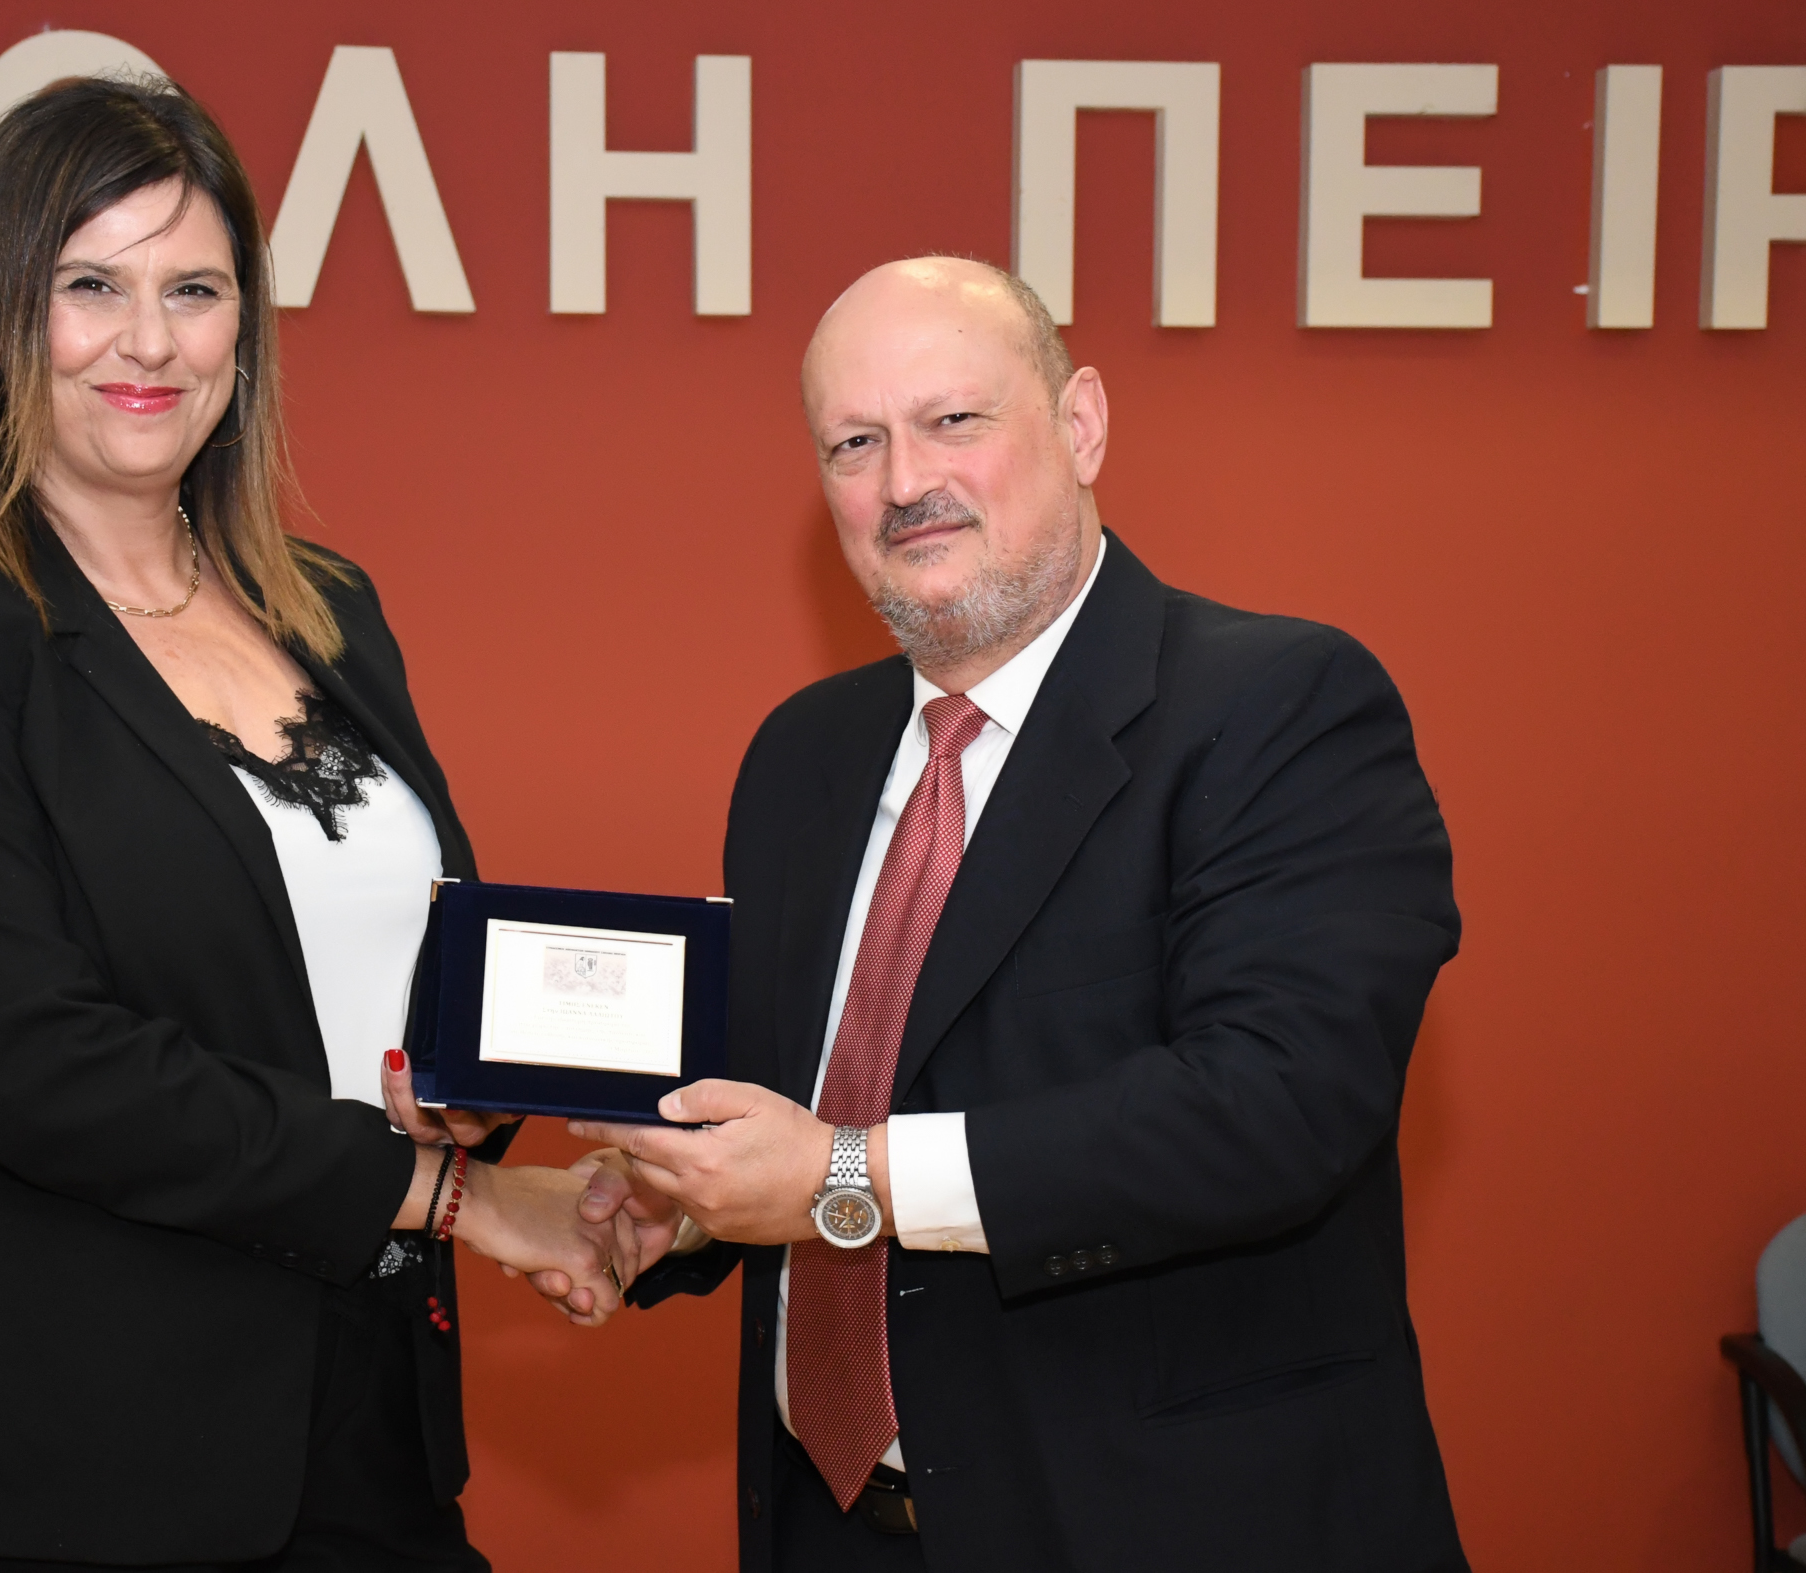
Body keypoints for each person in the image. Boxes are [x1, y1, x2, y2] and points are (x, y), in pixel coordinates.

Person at [0, 77, 638, 1573]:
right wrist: (452, 1194)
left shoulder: (330, 608)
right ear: (1, 318)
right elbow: (34, 1064)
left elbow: (391, 961)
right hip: (61, 1472)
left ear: (243, 328)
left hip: (366, 1418)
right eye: (91, 287)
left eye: (193, 289)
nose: (149, 341)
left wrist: (466, 1100)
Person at [568, 257, 1468, 1571]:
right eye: (855, 443)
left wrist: (840, 1177)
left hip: (1170, 1531)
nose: (904, 482)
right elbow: (806, 1103)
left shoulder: (1278, 706)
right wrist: (688, 1203)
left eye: (953, 421)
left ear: (1081, 423)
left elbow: (1275, 1102)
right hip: (834, 1525)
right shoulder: (800, 757)